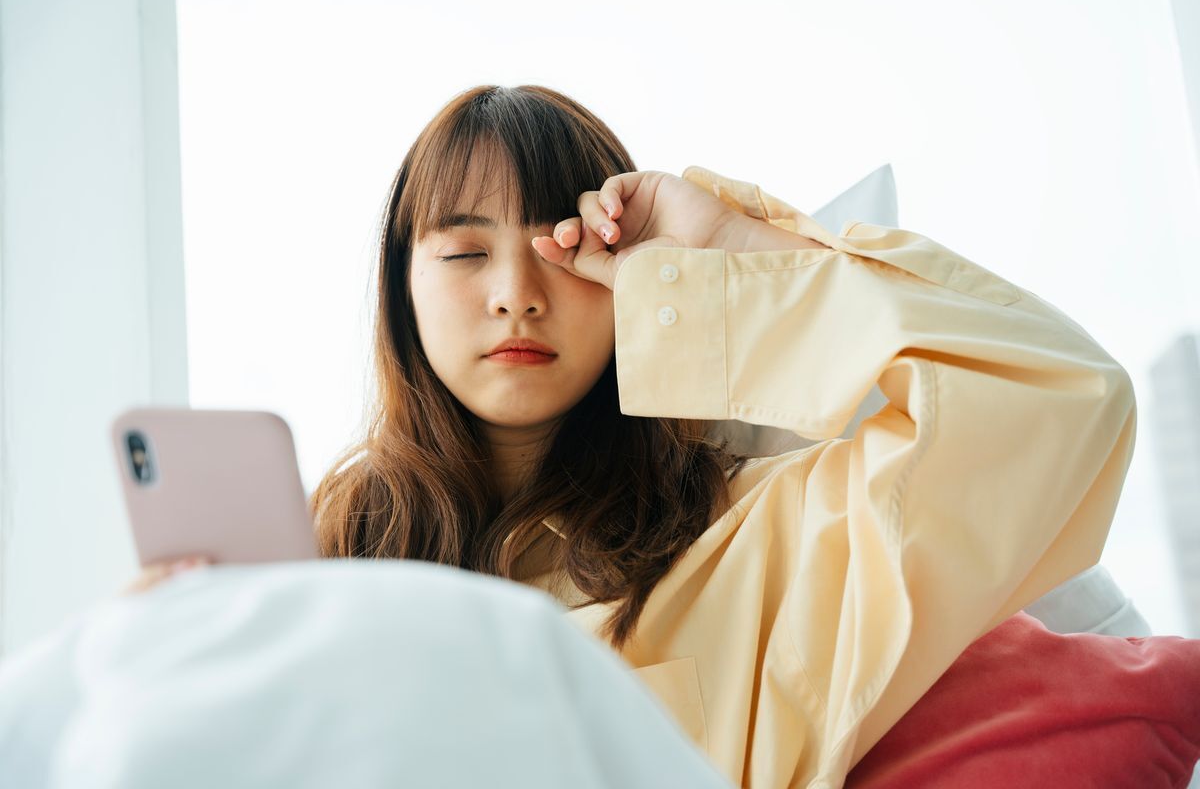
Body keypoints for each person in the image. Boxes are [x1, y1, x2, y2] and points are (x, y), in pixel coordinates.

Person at [129, 84, 1138, 788]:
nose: (516, 295)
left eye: (557, 248)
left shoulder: (754, 536)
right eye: (466, 251)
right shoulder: (313, 568)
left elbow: (1056, 399)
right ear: (402, 286)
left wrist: (728, 252)